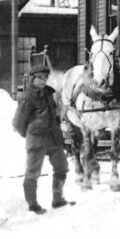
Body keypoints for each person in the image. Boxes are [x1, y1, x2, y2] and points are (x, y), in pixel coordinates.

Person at [13, 69, 73, 214]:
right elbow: (18, 122)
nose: (43, 80)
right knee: (33, 172)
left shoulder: (49, 93)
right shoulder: (27, 96)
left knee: (62, 167)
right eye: (39, 78)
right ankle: (32, 204)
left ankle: (58, 199)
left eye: (45, 77)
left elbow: (55, 113)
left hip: (53, 138)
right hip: (37, 139)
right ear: (32, 79)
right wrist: (31, 134)